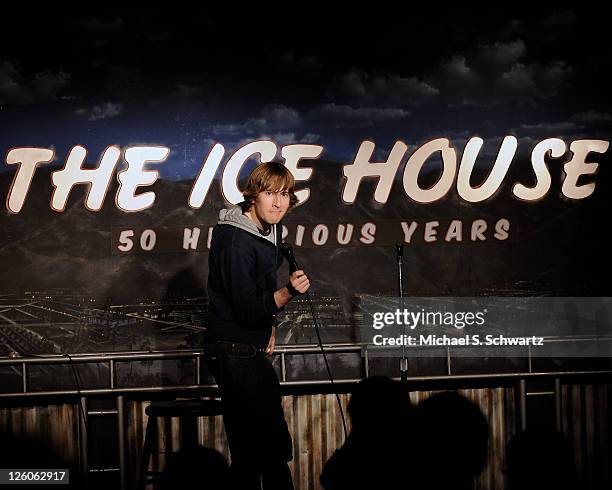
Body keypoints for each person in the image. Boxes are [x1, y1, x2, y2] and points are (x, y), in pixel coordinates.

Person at [204, 162, 310, 490]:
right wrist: (289, 291)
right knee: (257, 451)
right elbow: (248, 309)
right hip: (233, 350)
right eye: (269, 194)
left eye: (284, 195)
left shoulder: (268, 231)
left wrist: (271, 325)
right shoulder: (236, 241)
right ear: (253, 197)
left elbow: (260, 297)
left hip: (250, 348)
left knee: (269, 448)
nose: (278, 203)